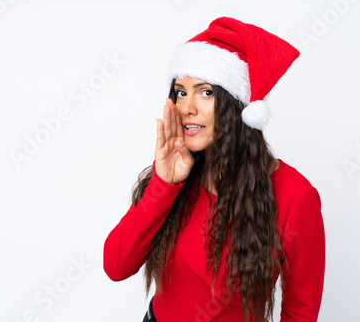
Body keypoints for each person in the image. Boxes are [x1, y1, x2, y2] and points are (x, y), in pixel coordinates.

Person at [103, 17, 325, 322]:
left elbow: (300, 310)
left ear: (238, 105)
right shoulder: (175, 170)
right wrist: (163, 184)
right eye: (181, 91)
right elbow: (116, 267)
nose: (186, 107)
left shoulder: (294, 195)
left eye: (205, 92)